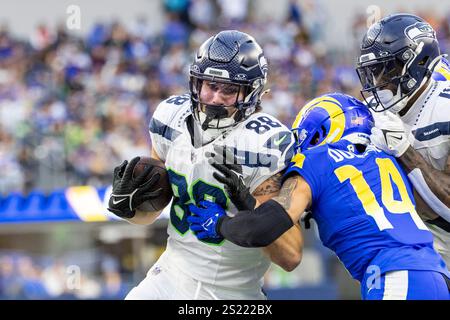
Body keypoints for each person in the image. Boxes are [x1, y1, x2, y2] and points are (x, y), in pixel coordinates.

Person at [188, 93, 450, 300]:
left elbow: (264, 228)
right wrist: (249, 201)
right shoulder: (386, 160)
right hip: (436, 273)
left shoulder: (316, 158)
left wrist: (220, 224)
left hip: (395, 276)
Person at [107, 30, 302, 299]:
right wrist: (129, 205)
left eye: (229, 89)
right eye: (210, 85)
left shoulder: (265, 143)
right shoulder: (171, 118)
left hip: (233, 292)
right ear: (196, 82)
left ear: (252, 91)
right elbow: (152, 212)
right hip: (170, 276)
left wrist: (248, 206)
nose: (215, 97)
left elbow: (291, 256)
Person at [355, 13, 450, 267]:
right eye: (373, 72)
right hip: (411, 247)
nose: (378, 82)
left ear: (418, 62)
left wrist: (404, 149)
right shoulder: (374, 114)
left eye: (387, 70)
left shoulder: (445, 109)